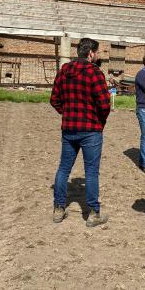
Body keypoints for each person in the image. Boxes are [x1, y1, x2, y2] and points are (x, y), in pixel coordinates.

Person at [50, 38, 111, 227]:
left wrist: (67, 113)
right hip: (91, 129)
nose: (98, 55)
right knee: (91, 172)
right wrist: (100, 121)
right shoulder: (94, 73)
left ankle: (59, 208)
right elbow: (104, 104)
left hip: (69, 128)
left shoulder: (64, 71)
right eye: (98, 52)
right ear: (91, 53)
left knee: (63, 168)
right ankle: (93, 213)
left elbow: (54, 99)